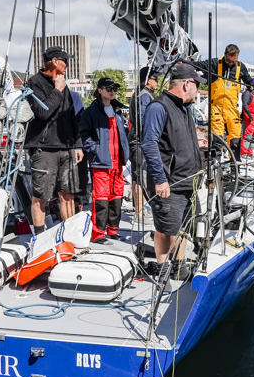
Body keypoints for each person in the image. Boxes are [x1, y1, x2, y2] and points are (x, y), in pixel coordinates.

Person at [141, 62, 207, 273]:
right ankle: (162, 268)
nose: (198, 90)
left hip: (188, 181)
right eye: (197, 85)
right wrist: (160, 179)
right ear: (187, 84)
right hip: (170, 182)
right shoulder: (158, 107)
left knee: (183, 228)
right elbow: (149, 143)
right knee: (165, 229)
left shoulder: (185, 109)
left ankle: (179, 265)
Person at [24, 45, 84, 230]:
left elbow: (70, 116)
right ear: (55, 61)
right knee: (40, 196)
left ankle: (70, 235)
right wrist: (57, 90)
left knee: (68, 194)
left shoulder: (62, 83)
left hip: (66, 147)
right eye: (65, 61)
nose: (67, 65)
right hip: (44, 149)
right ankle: (40, 239)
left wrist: (78, 144)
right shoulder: (34, 83)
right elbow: (42, 113)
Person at [79, 77, 129, 242]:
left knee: (116, 197)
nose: (112, 91)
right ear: (99, 90)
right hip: (101, 162)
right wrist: (95, 149)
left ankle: (113, 230)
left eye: (114, 88)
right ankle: (98, 233)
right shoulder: (91, 112)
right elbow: (84, 135)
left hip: (117, 162)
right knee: (101, 198)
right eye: (108, 88)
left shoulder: (118, 110)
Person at [192, 44, 254, 157]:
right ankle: (216, 165)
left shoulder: (241, 67)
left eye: (233, 61)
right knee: (217, 139)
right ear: (225, 55)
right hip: (216, 108)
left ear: (237, 58)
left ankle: (234, 166)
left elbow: (248, 79)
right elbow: (199, 65)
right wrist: (186, 63)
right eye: (228, 60)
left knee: (235, 138)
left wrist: (253, 86)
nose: (230, 63)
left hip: (232, 109)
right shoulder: (216, 63)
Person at [129, 66, 158, 218]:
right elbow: (143, 119)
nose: (157, 82)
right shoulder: (145, 95)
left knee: (137, 176)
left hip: (136, 141)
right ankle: (139, 212)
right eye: (155, 79)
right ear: (148, 81)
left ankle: (138, 210)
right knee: (139, 177)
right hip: (140, 142)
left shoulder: (139, 93)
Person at [240, 80, 254, 157]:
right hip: (249, 116)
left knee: (253, 135)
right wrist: (249, 115)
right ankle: (244, 152)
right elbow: (245, 104)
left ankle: (249, 151)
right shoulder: (247, 93)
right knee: (248, 134)